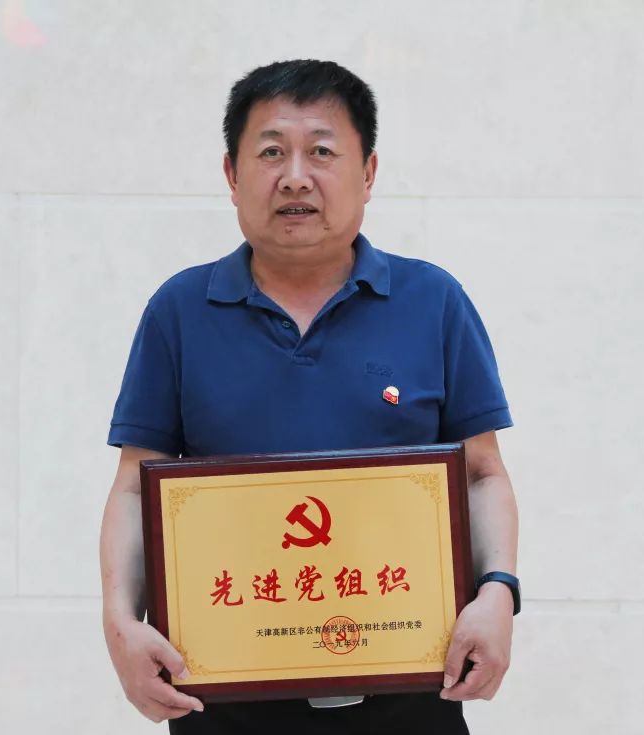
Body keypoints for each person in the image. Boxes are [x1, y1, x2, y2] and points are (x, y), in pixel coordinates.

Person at [99, 59, 519, 735]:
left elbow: (482, 473)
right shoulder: (179, 310)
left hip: (409, 703)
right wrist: (120, 621)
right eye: (271, 152)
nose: (295, 177)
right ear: (232, 175)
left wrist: (498, 592)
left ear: (368, 173)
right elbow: (133, 485)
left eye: (322, 151)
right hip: (226, 709)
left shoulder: (433, 301)